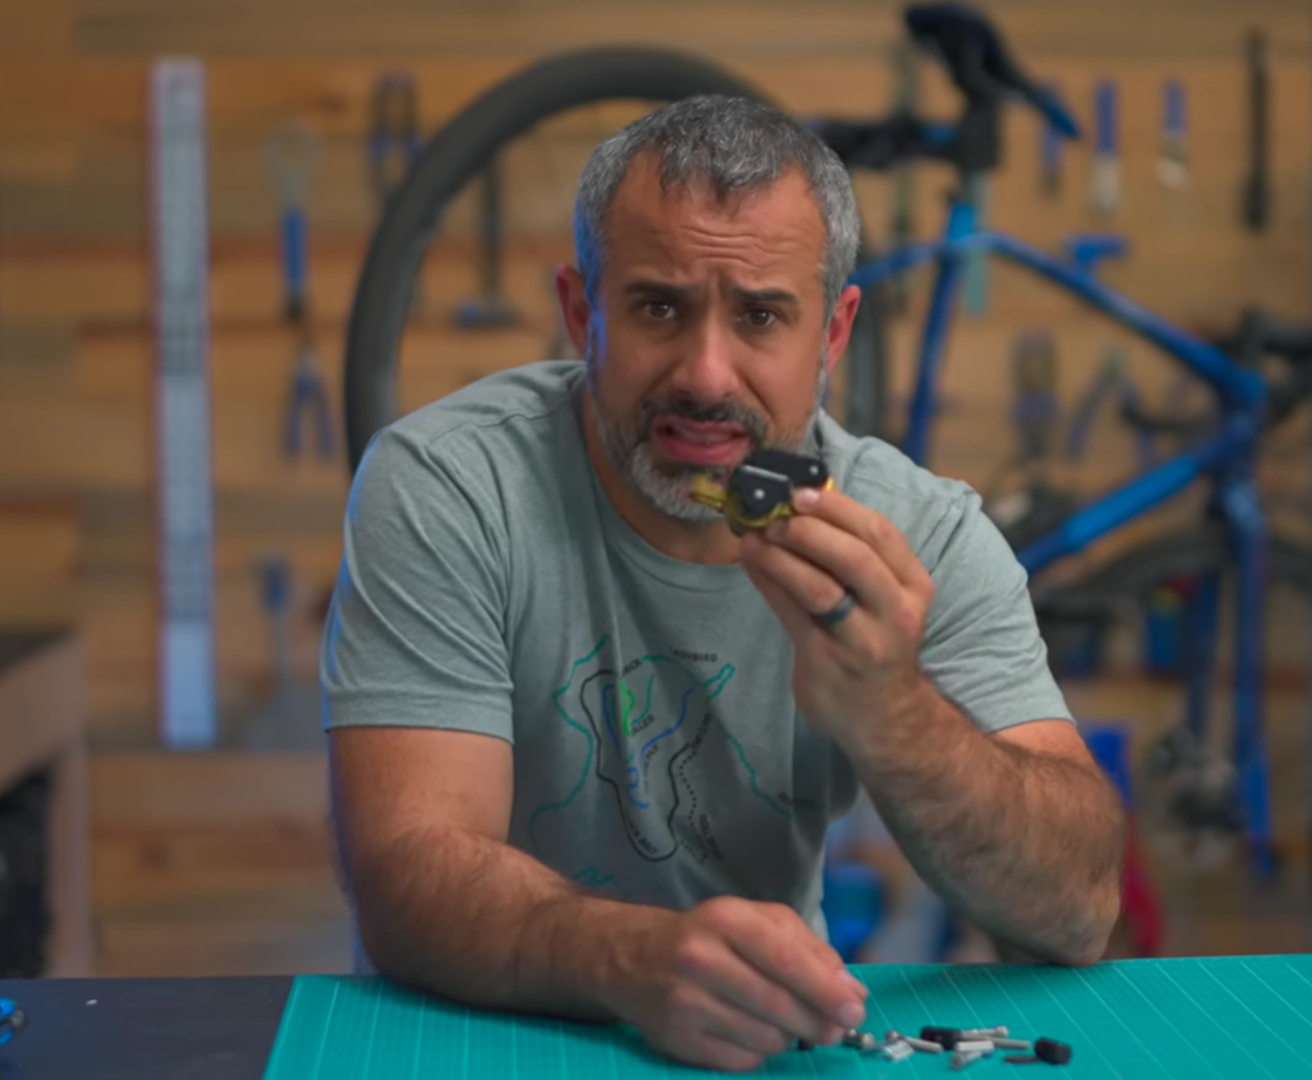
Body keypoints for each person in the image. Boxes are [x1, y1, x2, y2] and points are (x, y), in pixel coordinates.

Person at [322, 94, 1123, 1073]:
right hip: (472, 1040)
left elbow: (1076, 908)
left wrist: (896, 715)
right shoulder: (450, 486)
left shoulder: (920, 532)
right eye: (658, 308)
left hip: (763, 1046)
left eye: (760, 316)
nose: (706, 374)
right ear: (582, 313)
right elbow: (407, 868)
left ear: (833, 333)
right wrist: (632, 958)